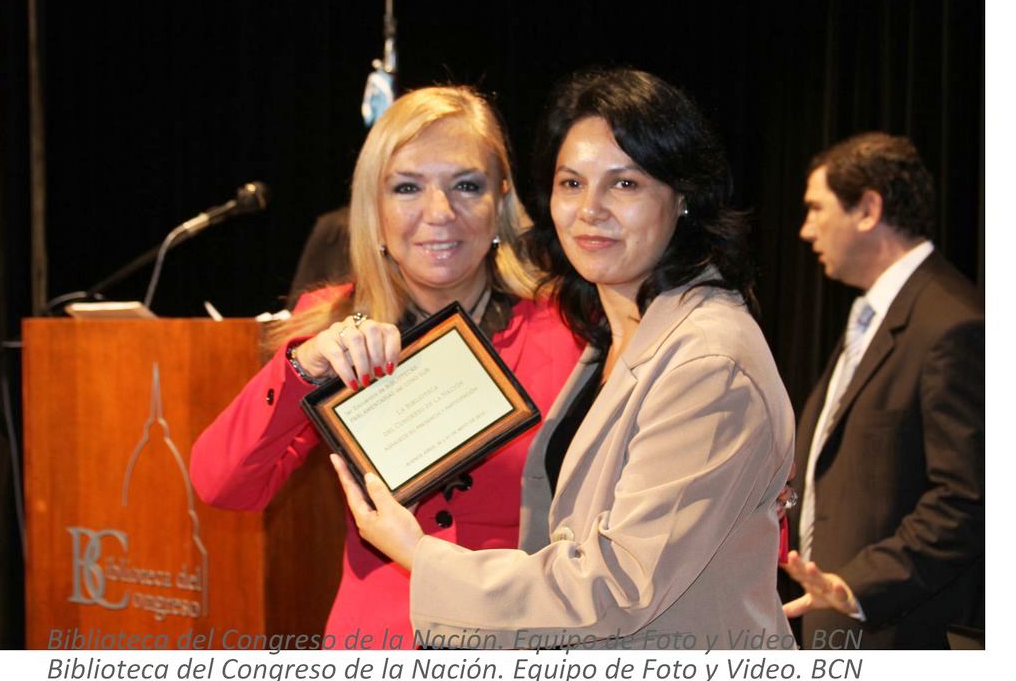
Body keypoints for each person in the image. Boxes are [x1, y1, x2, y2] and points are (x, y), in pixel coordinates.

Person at [331, 68, 795, 649]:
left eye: (624, 184)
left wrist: (418, 554)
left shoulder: (707, 361)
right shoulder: (610, 337)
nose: (590, 209)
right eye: (571, 183)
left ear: (682, 197)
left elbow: (617, 585)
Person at [189, 85, 583, 648]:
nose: (439, 213)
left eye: (466, 185)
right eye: (407, 188)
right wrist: (303, 367)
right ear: (373, 208)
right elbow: (222, 485)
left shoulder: (569, 326)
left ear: (501, 200)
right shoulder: (332, 327)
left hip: (521, 636)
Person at [783, 132, 984, 649]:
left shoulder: (952, 324)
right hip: (840, 629)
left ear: (869, 209)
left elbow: (967, 500)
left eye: (816, 209)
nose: (806, 229)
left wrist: (857, 587)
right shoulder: (874, 313)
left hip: (896, 633)